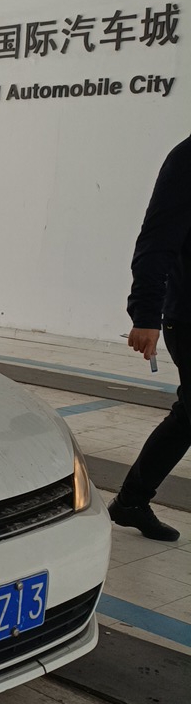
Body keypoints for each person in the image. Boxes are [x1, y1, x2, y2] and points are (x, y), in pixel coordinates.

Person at [109, 133, 191, 541]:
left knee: (187, 418)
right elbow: (156, 242)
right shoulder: (186, 160)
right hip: (189, 317)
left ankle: (131, 501)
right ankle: (131, 500)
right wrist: (145, 315)